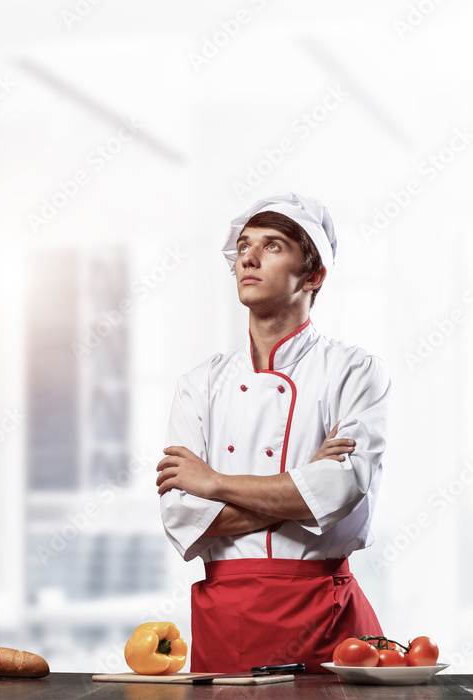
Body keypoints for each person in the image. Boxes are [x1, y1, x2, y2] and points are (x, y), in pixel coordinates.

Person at [155, 191, 389, 673]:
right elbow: (181, 517)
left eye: (274, 245)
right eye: (244, 246)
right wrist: (303, 487)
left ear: (314, 274)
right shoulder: (199, 385)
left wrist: (214, 483)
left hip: (327, 619)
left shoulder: (355, 371)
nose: (249, 257)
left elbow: (342, 489)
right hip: (227, 616)